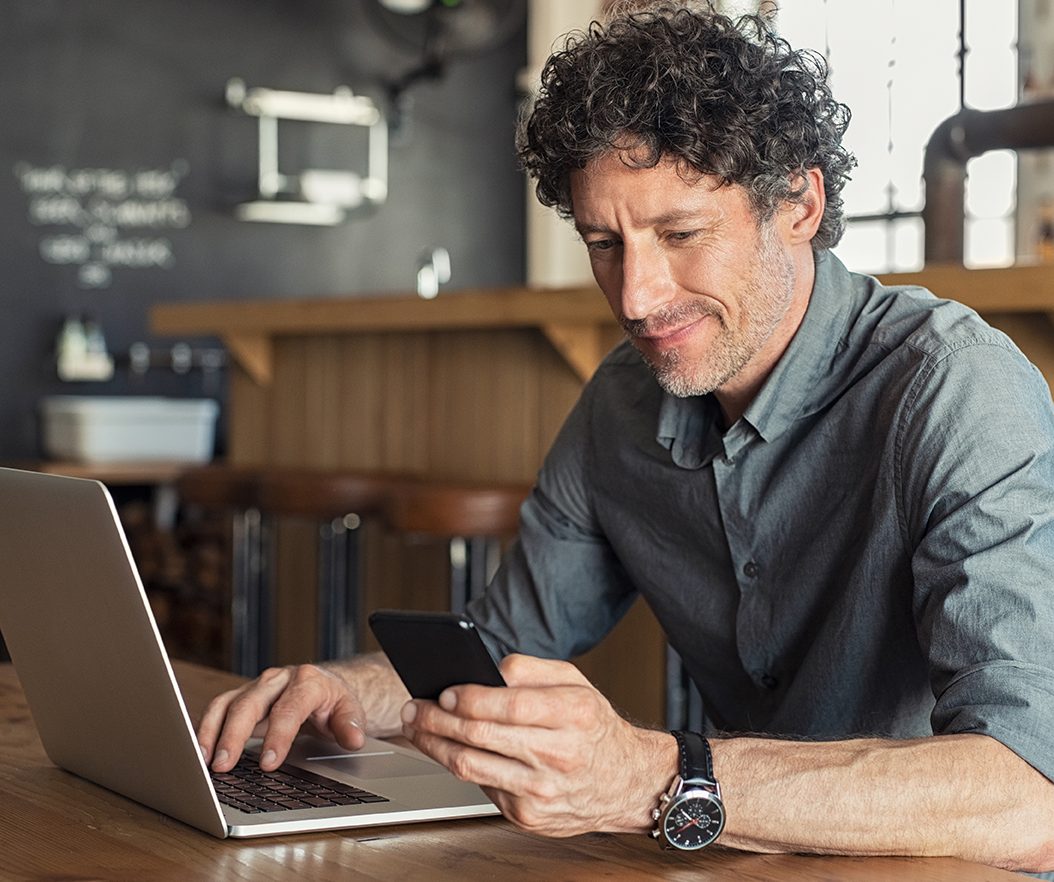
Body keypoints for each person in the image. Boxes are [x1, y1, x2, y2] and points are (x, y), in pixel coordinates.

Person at [197, 1, 1054, 872]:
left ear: (798, 202)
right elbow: (500, 646)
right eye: (604, 243)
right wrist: (348, 690)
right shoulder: (623, 399)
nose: (636, 297)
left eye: (680, 234)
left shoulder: (957, 389)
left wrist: (652, 776)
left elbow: (1031, 795)